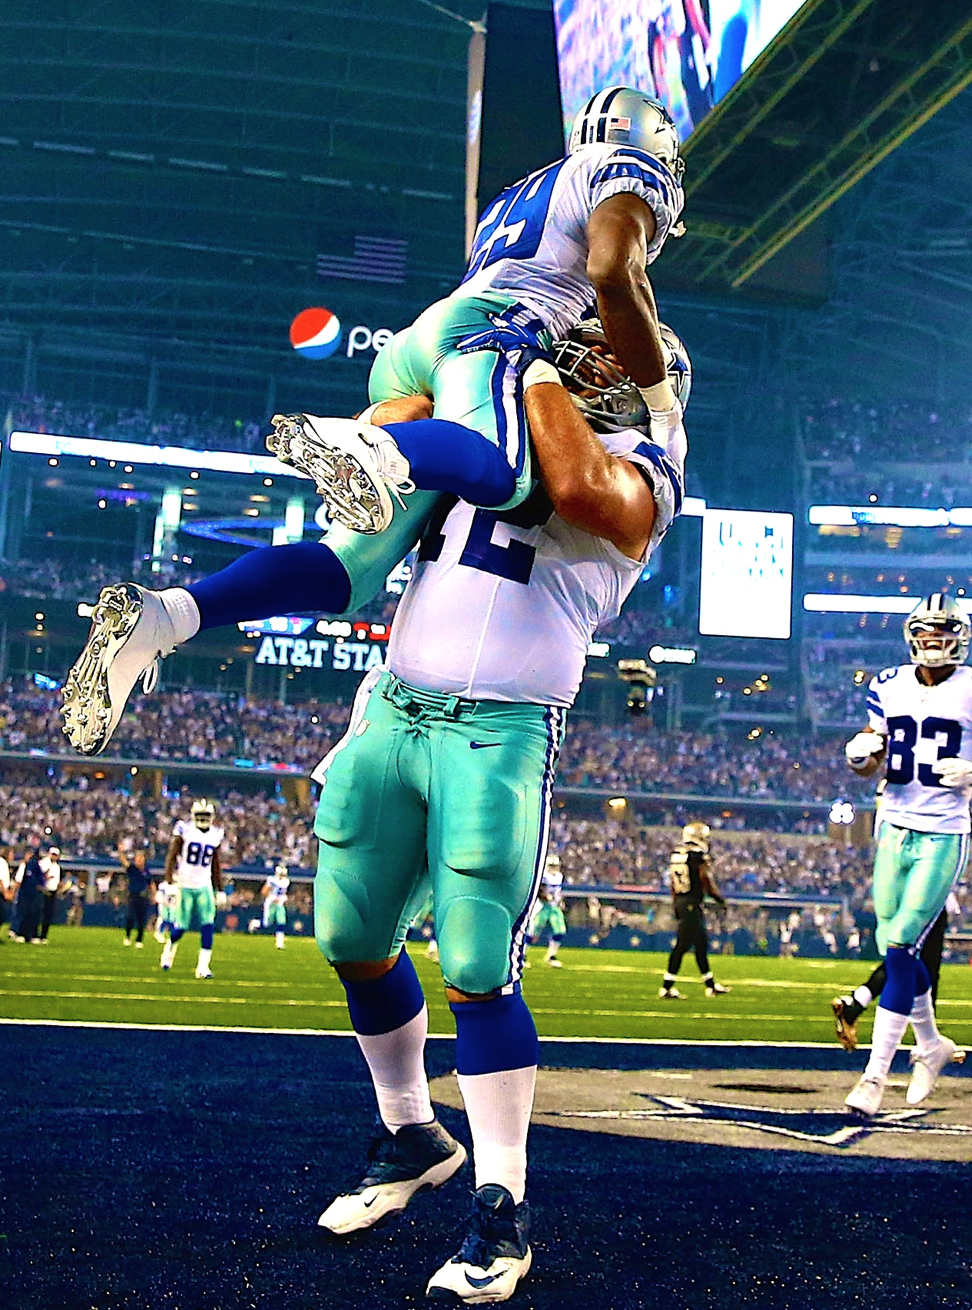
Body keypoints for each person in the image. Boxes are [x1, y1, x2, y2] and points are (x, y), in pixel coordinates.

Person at [61, 87, 690, 761]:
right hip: (492, 336)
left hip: (424, 347)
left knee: (347, 572)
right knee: (503, 471)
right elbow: (613, 274)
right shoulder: (625, 178)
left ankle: (168, 616)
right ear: (649, 141)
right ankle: (375, 447)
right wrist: (658, 400)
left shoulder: (518, 193)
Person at [308, 315, 688, 1303]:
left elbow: (571, 486)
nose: (588, 358)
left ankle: (501, 1212)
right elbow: (394, 435)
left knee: (477, 961)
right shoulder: (503, 407)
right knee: (349, 932)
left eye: (610, 355)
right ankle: (407, 1133)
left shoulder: (645, 463)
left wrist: (517, 366)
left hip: (503, 727)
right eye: (583, 348)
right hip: (395, 703)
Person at [839, 592, 972, 1115]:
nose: (932, 641)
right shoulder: (886, 684)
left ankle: (874, 1078)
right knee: (894, 947)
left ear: (961, 638)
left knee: (902, 942)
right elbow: (874, 756)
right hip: (892, 824)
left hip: (945, 830)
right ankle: (931, 1045)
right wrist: (862, 755)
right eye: (925, 631)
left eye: (942, 631)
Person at [829, 890, 957, 1053]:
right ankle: (928, 1042)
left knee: (909, 961)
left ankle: (855, 1003)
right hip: (928, 897)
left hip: (915, 897)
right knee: (922, 965)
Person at [660, 822, 727, 999]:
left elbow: (673, 883)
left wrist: (676, 903)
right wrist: (718, 898)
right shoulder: (697, 855)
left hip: (682, 901)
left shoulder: (676, 854)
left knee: (701, 944)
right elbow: (704, 877)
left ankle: (711, 986)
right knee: (682, 946)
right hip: (691, 903)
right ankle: (666, 987)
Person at [160, 800, 223, 978]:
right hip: (185, 885)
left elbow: (215, 864)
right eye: (200, 816)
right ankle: (170, 948)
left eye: (206, 816)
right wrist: (169, 882)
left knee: (208, 925)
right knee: (181, 928)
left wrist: (220, 889)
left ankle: (203, 967)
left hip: (204, 885)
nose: (203, 819)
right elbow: (171, 857)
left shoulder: (215, 835)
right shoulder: (184, 830)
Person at [528, 853, 566, 968]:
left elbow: (558, 891)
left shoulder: (559, 876)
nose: (554, 868)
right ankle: (521, 956)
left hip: (554, 907)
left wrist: (560, 900)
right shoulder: (542, 875)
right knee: (533, 932)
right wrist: (545, 897)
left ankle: (551, 956)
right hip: (542, 906)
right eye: (552, 865)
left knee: (560, 930)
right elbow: (539, 891)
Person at [122, 844, 153, 947]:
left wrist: (154, 895)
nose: (139, 860)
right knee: (130, 917)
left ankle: (139, 940)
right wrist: (121, 852)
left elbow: (151, 883)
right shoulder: (132, 869)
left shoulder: (147, 871)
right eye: (137, 858)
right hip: (133, 895)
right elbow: (125, 863)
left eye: (141, 858)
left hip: (143, 897)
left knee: (141, 919)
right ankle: (127, 937)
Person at [261, 861, 291, 949]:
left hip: (280, 904)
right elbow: (264, 892)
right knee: (266, 924)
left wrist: (283, 898)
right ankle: (255, 923)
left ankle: (279, 943)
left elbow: (283, 893)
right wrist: (272, 897)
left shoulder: (286, 881)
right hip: (271, 904)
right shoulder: (271, 880)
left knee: (281, 922)